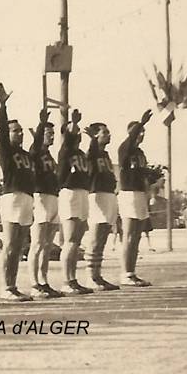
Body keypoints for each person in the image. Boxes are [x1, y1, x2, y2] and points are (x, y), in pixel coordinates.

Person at [0, 83, 35, 302]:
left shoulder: (26, 154)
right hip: (12, 197)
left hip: (26, 198)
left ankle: (12, 284)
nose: (19, 133)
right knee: (10, 244)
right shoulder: (6, 151)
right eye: (15, 131)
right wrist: (2, 107)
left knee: (19, 246)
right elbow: (1, 131)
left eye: (20, 130)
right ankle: (5, 286)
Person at [56, 107, 94, 295]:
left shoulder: (80, 154)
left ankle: (73, 279)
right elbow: (69, 137)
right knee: (70, 240)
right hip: (69, 193)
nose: (77, 135)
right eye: (74, 132)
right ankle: (66, 280)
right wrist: (75, 123)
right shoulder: (65, 151)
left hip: (82, 193)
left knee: (77, 241)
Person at [28, 109, 63, 299]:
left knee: (48, 244)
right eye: (49, 134)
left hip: (52, 198)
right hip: (40, 198)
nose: (52, 137)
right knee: (38, 243)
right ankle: (34, 284)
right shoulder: (35, 152)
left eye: (53, 134)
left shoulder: (50, 156)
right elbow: (34, 147)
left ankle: (43, 281)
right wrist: (42, 124)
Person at [117, 110, 154, 286]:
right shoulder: (124, 149)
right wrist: (142, 122)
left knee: (137, 235)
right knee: (129, 235)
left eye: (143, 133)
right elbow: (131, 138)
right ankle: (125, 273)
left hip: (139, 193)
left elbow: (143, 173)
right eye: (138, 132)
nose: (141, 135)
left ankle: (131, 272)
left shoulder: (140, 153)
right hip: (129, 194)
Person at [84, 122, 121, 291]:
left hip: (108, 194)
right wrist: (92, 140)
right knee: (95, 236)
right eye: (105, 132)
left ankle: (98, 275)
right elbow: (91, 152)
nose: (109, 135)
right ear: (95, 136)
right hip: (97, 195)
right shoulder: (92, 154)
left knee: (103, 237)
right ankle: (90, 276)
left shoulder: (105, 155)